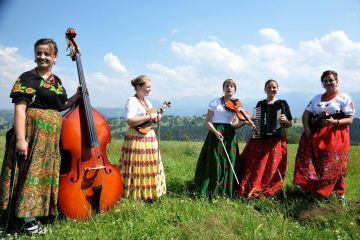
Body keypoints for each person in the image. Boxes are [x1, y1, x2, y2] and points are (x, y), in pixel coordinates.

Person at [0, 38, 81, 235]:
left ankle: (37, 214)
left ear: (55, 57)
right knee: (30, 175)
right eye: (39, 53)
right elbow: (20, 109)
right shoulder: (27, 78)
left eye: (47, 54)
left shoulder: (57, 81)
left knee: (43, 175)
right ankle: (27, 221)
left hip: (50, 139)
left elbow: (60, 106)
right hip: (32, 134)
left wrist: (77, 97)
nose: (42, 57)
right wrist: (20, 139)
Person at [293, 70, 355, 203]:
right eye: (325, 81)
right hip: (316, 136)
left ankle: (339, 195)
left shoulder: (344, 98)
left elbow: (350, 119)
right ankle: (316, 191)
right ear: (322, 84)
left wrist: (335, 122)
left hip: (336, 136)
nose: (328, 83)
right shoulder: (316, 98)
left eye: (331, 80)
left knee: (336, 166)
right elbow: (306, 114)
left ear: (337, 82)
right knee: (315, 165)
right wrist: (307, 129)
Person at [238, 79, 292, 198]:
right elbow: (257, 122)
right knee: (255, 164)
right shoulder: (260, 104)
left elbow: (289, 124)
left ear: (277, 89)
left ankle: (267, 188)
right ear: (265, 89)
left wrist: (285, 121)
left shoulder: (282, 104)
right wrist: (251, 122)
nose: (271, 89)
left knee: (272, 166)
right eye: (269, 87)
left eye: (274, 87)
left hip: (276, 140)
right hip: (259, 139)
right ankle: (253, 187)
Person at [194, 79, 247, 198]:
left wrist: (244, 123)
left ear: (235, 89)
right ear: (223, 88)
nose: (229, 88)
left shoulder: (236, 105)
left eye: (232, 86)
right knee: (215, 161)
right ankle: (211, 189)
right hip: (215, 133)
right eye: (227, 86)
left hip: (230, 135)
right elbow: (207, 121)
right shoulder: (214, 102)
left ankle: (227, 190)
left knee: (229, 162)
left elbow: (234, 124)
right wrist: (216, 132)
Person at [119, 75, 166, 202]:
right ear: (139, 87)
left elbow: (149, 119)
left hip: (149, 137)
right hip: (136, 137)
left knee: (149, 165)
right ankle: (135, 195)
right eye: (148, 86)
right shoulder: (132, 101)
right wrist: (149, 117)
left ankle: (149, 194)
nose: (150, 89)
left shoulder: (147, 102)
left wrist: (156, 117)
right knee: (136, 165)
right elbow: (130, 120)